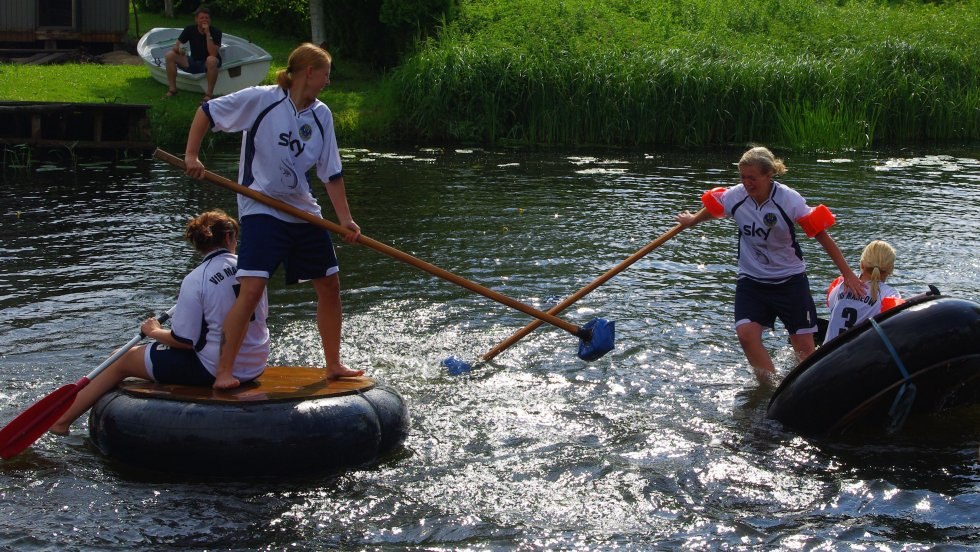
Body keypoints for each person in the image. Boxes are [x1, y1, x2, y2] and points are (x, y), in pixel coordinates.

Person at [182, 42, 364, 390]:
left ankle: (333, 364)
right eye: (326, 74)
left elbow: (331, 172)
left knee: (330, 286)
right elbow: (207, 111)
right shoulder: (263, 99)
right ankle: (224, 371)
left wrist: (345, 220)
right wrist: (192, 156)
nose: (328, 81)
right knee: (251, 288)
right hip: (262, 206)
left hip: (302, 210)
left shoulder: (321, 114)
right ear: (309, 72)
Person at [49, 210, 269, 434]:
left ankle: (61, 421)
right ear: (230, 237)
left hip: (212, 368)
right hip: (255, 364)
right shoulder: (252, 271)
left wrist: (153, 331)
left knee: (121, 358)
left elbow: (183, 341)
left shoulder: (195, 279)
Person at [676, 146, 865, 385]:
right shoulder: (737, 195)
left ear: (768, 175)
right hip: (752, 280)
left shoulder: (788, 199)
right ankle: (770, 388)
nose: (746, 183)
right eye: (742, 177)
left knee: (804, 347)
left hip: (790, 281)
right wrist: (693, 220)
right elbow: (716, 207)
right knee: (746, 335)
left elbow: (821, 234)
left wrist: (847, 274)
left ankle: (808, 387)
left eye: (752, 178)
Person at [823, 240, 903, 344]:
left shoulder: (840, 284)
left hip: (826, 355)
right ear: (891, 269)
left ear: (862, 264)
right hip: (858, 356)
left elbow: (830, 305)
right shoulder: (890, 294)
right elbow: (897, 324)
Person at [163, 5, 222, 100]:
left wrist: (207, 34)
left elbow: (213, 54)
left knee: (211, 60)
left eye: (207, 18)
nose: (204, 20)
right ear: (196, 20)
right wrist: (180, 50)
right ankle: (172, 90)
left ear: (210, 20)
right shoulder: (190, 29)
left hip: (208, 63)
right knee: (170, 55)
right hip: (193, 61)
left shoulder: (216, 32)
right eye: (201, 18)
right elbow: (176, 45)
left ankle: (208, 94)